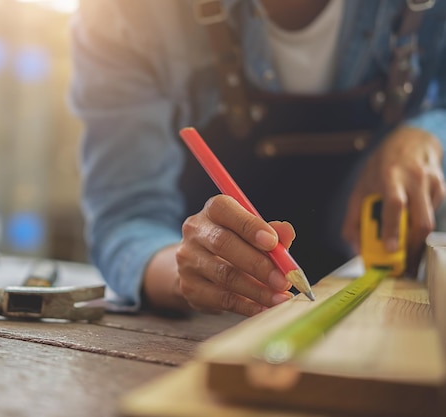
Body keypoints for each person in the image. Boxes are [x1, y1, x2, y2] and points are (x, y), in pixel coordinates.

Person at [70, 0, 446, 316]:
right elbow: (128, 218)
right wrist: (185, 269)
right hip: (214, 328)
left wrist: (430, 133)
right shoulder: (122, 13)